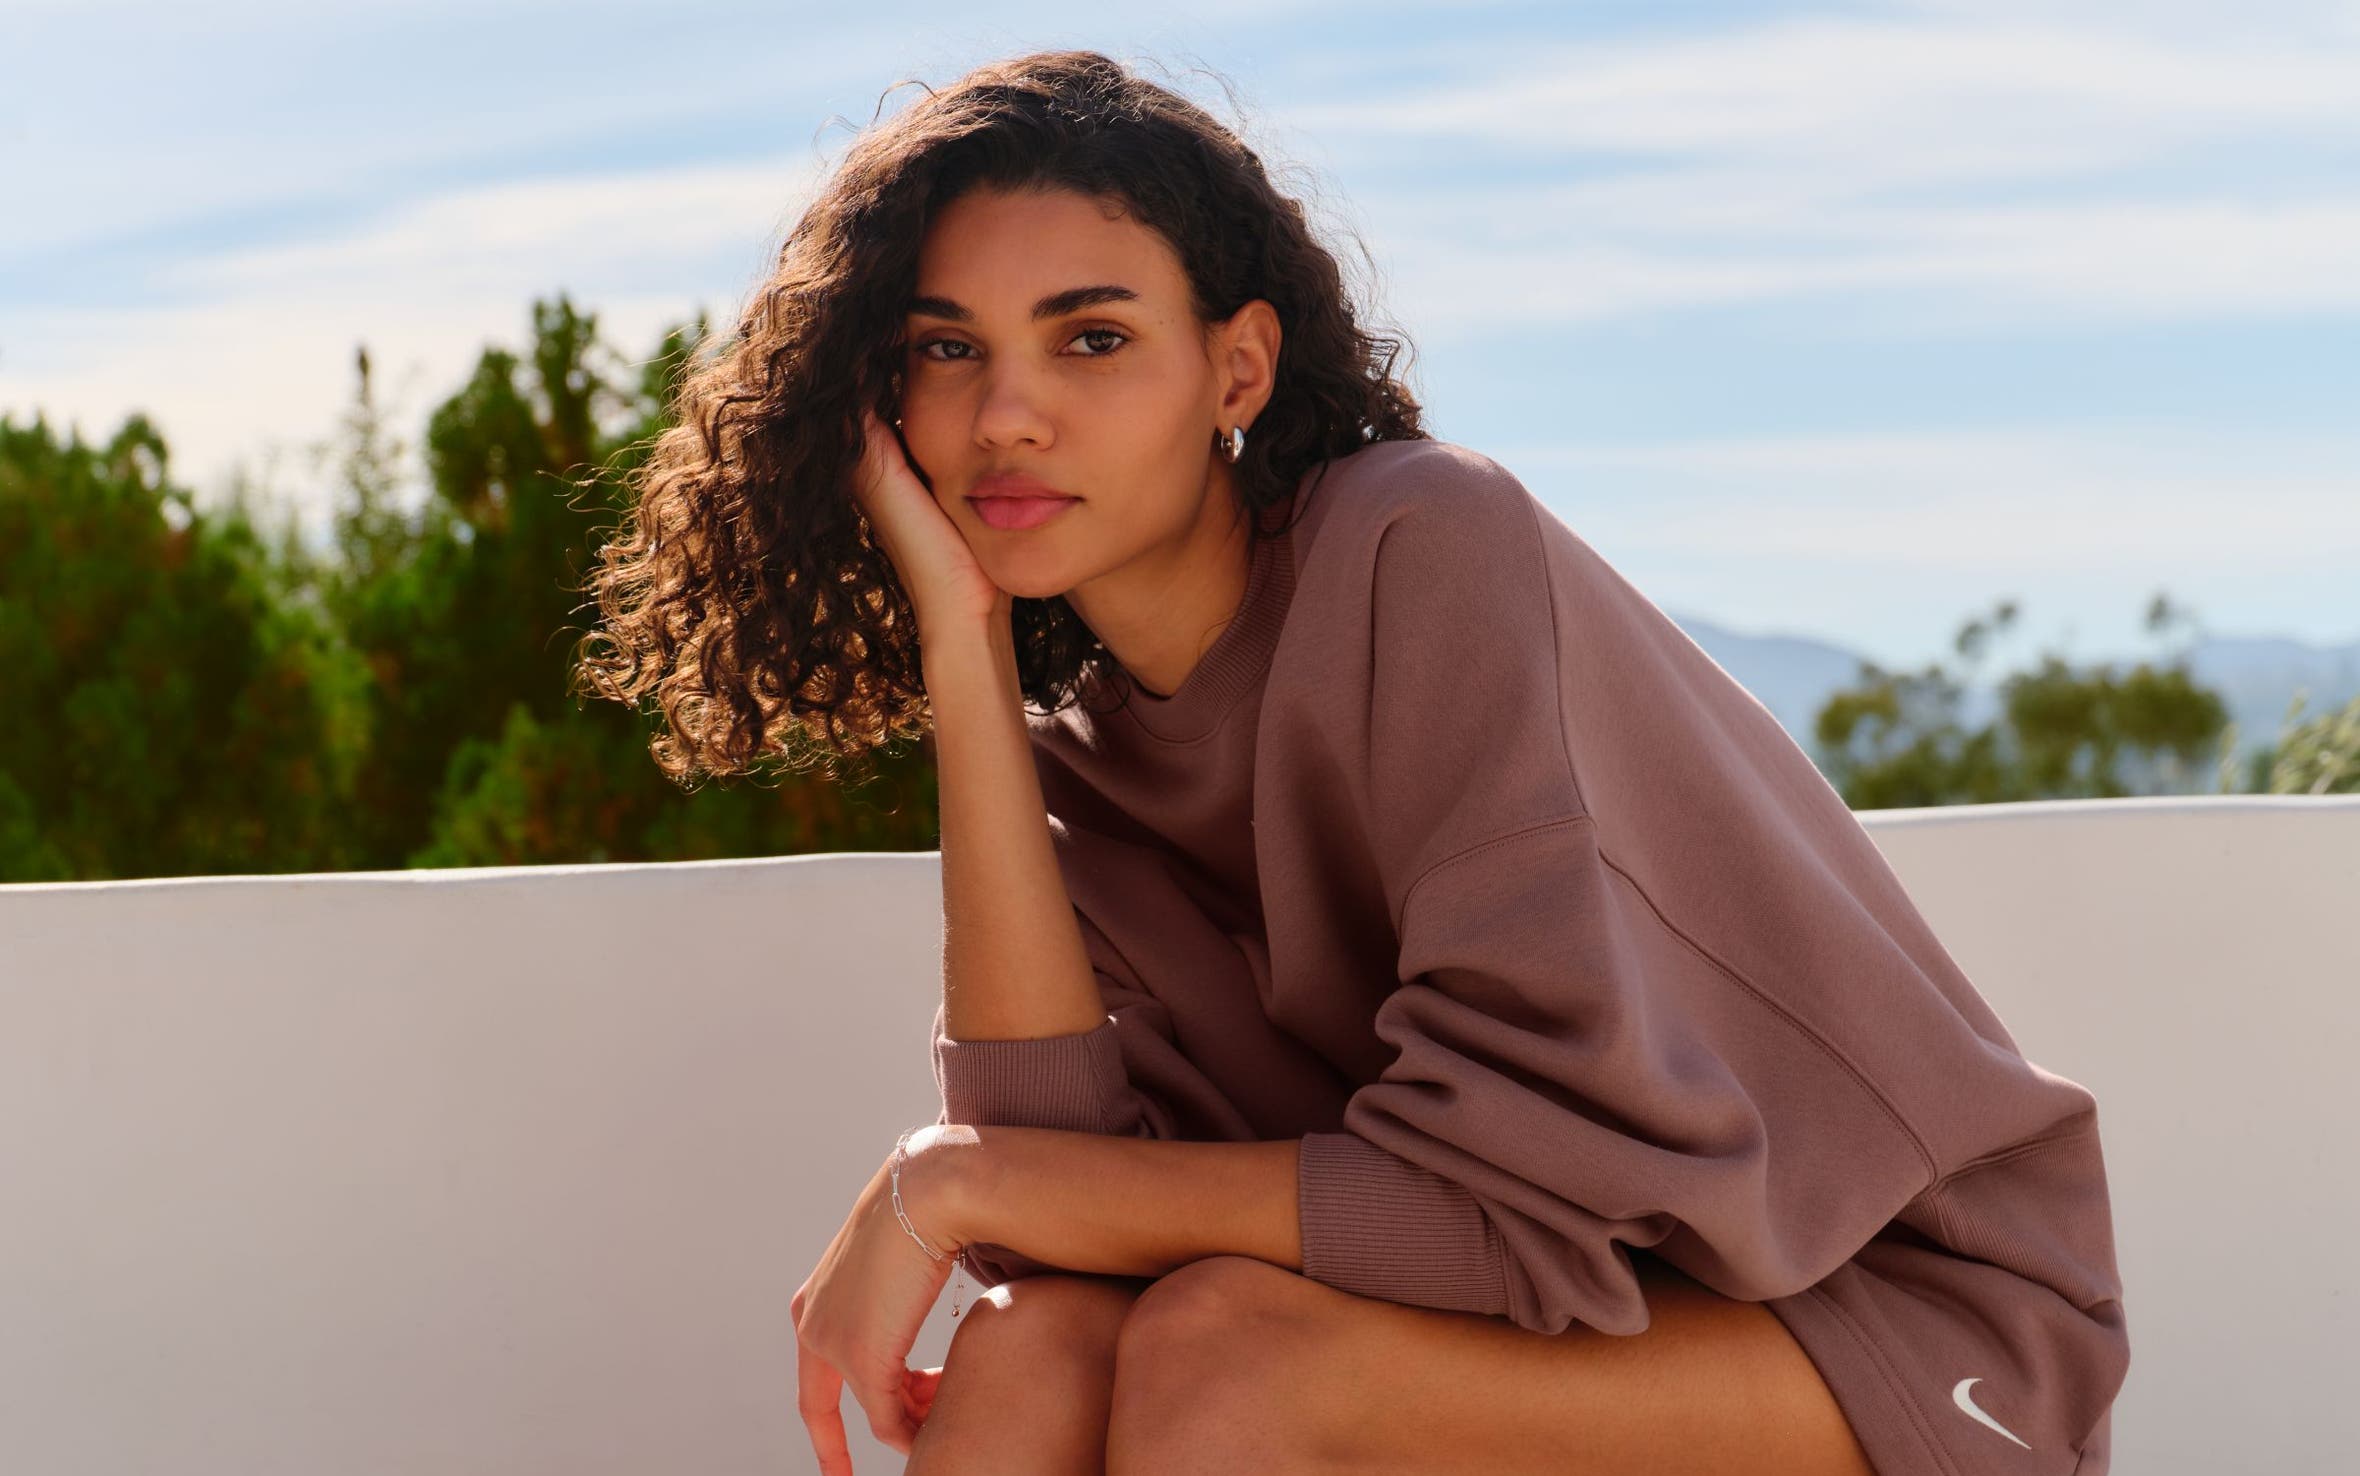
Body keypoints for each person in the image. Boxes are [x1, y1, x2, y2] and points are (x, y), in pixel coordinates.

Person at [575, 48, 2129, 1476]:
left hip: (1890, 1332)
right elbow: (1058, 1221)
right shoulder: (1085, 764)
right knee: (1040, 1338)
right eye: (945, 351)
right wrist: (965, 661)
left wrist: (950, 1177)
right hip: (1564, 1319)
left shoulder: (1419, 546)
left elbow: (1513, 1207)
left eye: (1094, 338)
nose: (1010, 415)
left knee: (1224, 1354)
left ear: (1236, 372)